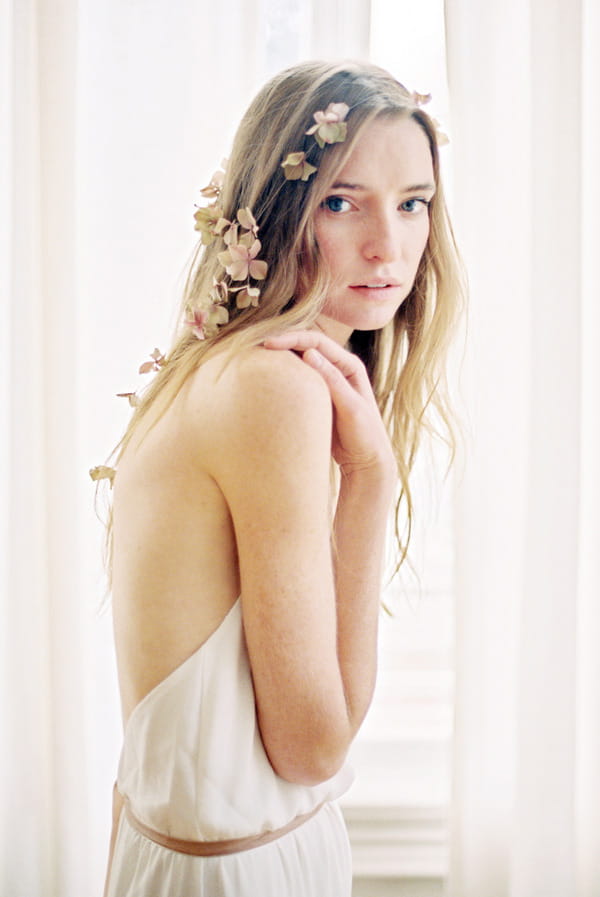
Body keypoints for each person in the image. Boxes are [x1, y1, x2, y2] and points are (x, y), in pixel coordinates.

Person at [97, 59, 463, 897]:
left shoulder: (219, 371)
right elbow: (312, 748)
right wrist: (370, 477)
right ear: (277, 211)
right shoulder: (276, 388)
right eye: (342, 200)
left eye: (413, 203)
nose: (389, 244)